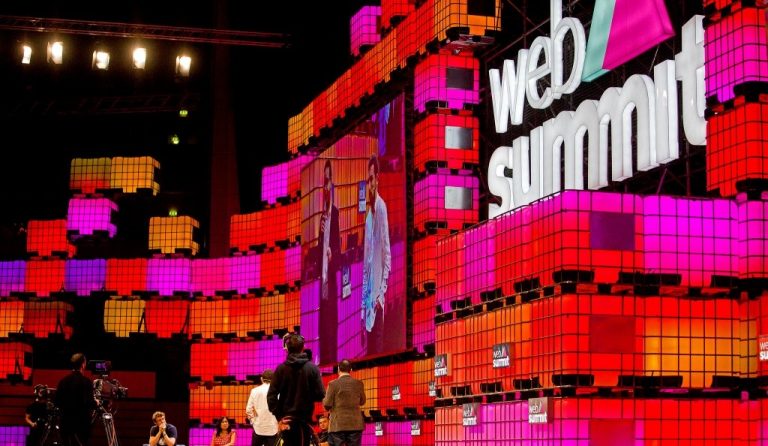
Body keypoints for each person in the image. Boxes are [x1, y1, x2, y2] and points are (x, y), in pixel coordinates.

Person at [267, 333, 325, 446]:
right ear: (303, 347)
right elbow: (321, 394)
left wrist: (279, 417)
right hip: (304, 421)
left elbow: (271, 397)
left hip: (286, 421)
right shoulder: (312, 368)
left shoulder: (280, 369)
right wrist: (307, 394)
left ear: (287, 349)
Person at [361, 155, 391, 356]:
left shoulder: (381, 208)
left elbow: (387, 255)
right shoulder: (369, 215)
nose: (370, 184)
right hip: (368, 305)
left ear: (377, 179)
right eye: (368, 180)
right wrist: (363, 307)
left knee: (377, 355)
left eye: (372, 179)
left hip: (377, 303)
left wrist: (381, 295)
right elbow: (366, 264)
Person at [318, 159, 341, 364]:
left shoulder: (335, 213)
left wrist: (333, 257)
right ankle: (324, 358)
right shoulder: (322, 217)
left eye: (328, 180)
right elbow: (318, 252)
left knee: (332, 322)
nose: (326, 186)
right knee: (322, 324)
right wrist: (320, 234)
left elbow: (339, 249)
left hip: (331, 278)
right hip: (321, 280)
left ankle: (332, 359)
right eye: (324, 182)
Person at [54, 353, 96, 446]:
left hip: (65, 424)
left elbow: (57, 402)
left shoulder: (63, 381)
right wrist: (96, 403)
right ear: (83, 364)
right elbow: (89, 402)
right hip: (81, 425)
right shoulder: (86, 382)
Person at [322, 360, 365, 446]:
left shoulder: (333, 384)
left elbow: (327, 404)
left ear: (338, 369)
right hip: (355, 425)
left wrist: (324, 398)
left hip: (337, 425)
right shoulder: (359, 383)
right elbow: (362, 401)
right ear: (350, 369)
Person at [246, 369, 278, 446]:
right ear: (274, 379)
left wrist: (253, 421)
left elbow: (248, 409)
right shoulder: (277, 392)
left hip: (258, 428)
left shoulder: (254, 391)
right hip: (273, 428)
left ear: (261, 379)